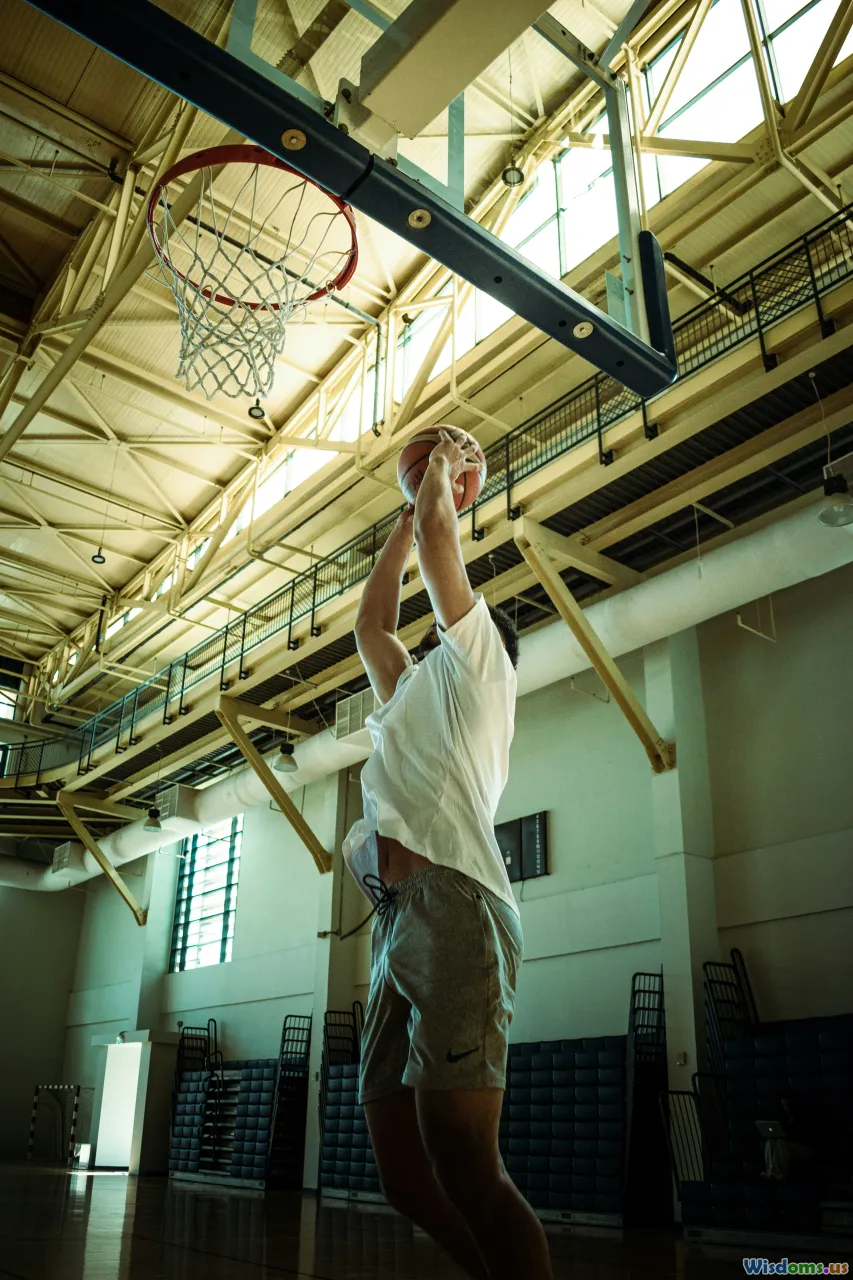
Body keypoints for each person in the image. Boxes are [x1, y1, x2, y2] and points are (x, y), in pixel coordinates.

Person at [343, 427, 553, 1280]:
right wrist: (402, 516)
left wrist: (439, 470)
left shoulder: (481, 670)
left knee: (466, 1164)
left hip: (458, 903)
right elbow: (370, 624)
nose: (438, 625)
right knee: (404, 1175)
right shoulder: (412, 692)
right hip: (395, 922)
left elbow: (441, 541)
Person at [763, 1096, 814, 1181]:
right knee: (770, 1142)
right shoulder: (784, 1119)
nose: (785, 1108)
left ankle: (778, 1174)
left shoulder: (804, 1118)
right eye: (783, 1105)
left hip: (803, 1147)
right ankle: (770, 1173)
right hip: (789, 1145)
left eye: (786, 1105)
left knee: (781, 1143)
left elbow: (806, 1139)